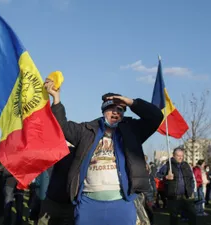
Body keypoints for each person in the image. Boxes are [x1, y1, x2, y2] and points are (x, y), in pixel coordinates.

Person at [45, 79, 163, 225]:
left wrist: (131, 102)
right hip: (89, 203)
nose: (116, 112)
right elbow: (61, 127)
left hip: (122, 203)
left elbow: (156, 117)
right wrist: (56, 99)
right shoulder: (87, 130)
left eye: (120, 110)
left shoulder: (133, 131)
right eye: (111, 109)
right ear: (103, 111)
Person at [157, 147, 197, 225]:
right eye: (178, 155)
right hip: (174, 196)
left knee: (192, 215)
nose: (180, 157)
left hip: (186, 195)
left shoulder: (186, 165)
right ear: (174, 155)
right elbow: (157, 175)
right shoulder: (168, 165)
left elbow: (191, 178)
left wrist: (191, 189)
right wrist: (166, 177)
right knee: (174, 217)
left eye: (182, 155)